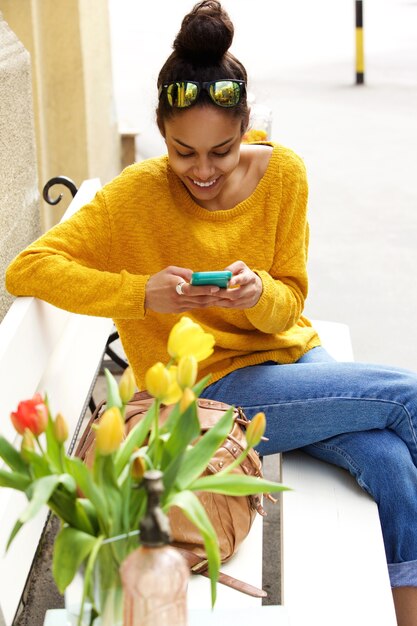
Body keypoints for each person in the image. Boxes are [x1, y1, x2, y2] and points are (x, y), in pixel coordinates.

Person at [5, 1, 417, 623]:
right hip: (207, 394)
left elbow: (291, 305)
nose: (201, 171)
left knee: (388, 460)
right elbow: (28, 269)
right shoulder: (135, 197)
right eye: (182, 152)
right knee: (406, 398)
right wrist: (142, 293)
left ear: (246, 125)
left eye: (220, 151)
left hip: (291, 357)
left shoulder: (284, 175)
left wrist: (257, 298)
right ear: (161, 133)